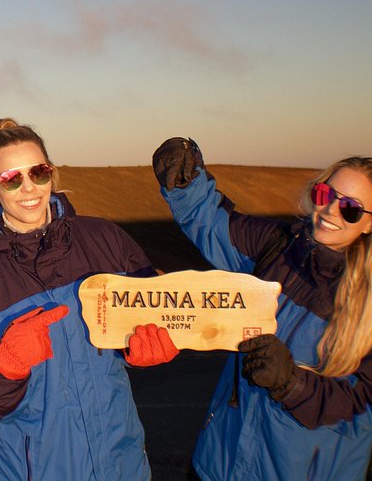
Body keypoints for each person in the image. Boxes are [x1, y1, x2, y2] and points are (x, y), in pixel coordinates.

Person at [0, 118, 177, 480]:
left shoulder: (106, 241)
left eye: (38, 172)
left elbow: (154, 314)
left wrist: (144, 346)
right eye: (11, 179)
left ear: (51, 172)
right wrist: (6, 367)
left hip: (120, 460)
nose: (29, 188)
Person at [152, 138, 372, 480]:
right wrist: (185, 182)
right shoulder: (279, 247)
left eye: (350, 208)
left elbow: (363, 406)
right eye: (325, 195)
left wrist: (293, 385)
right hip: (218, 465)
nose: (330, 210)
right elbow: (215, 225)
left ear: (368, 223)